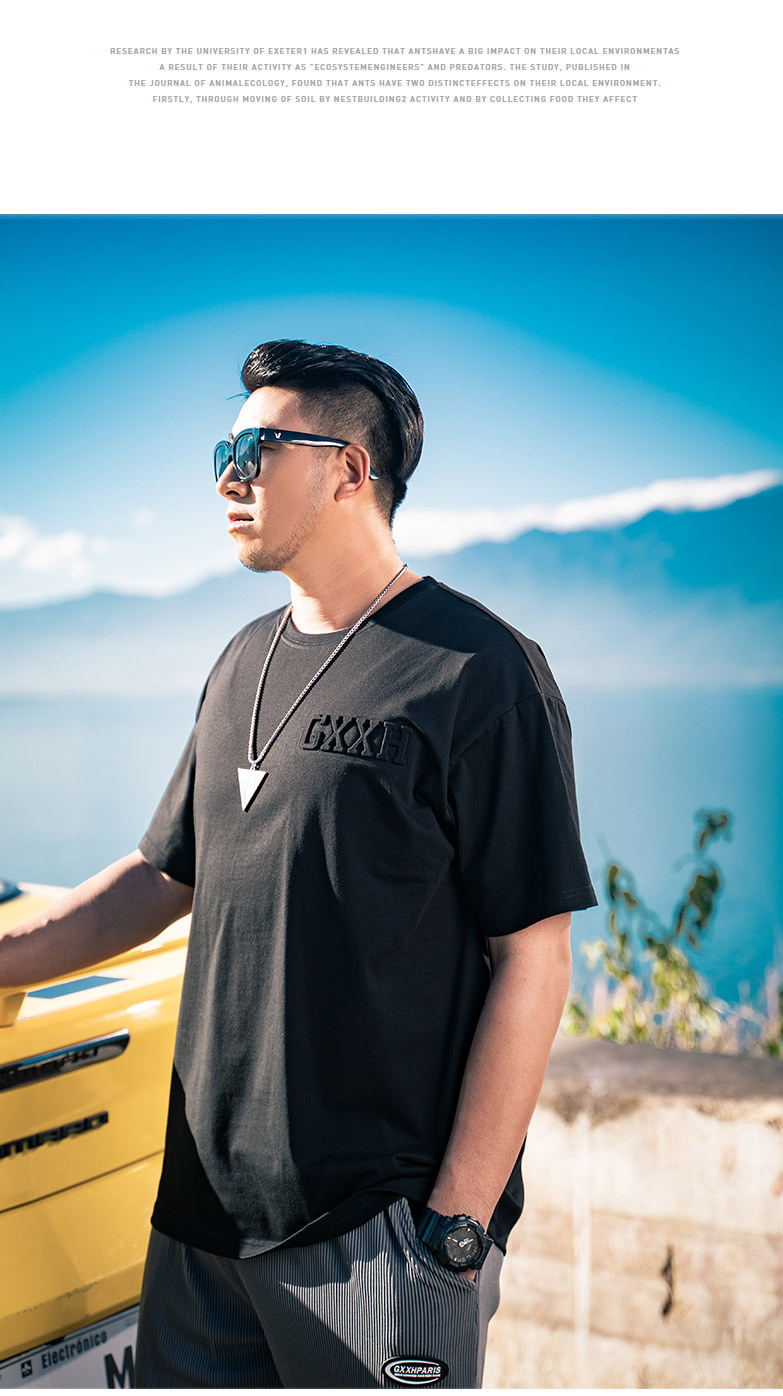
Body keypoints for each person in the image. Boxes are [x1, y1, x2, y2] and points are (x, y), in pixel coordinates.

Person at [0, 339, 597, 1389]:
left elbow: (535, 958)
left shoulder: (479, 671)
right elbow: (164, 875)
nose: (227, 479)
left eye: (255, 451)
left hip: (375, 1233)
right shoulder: (243, 658)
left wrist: (454, 1227)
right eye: (221, 453)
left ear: (349, 470)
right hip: (198, 1225)